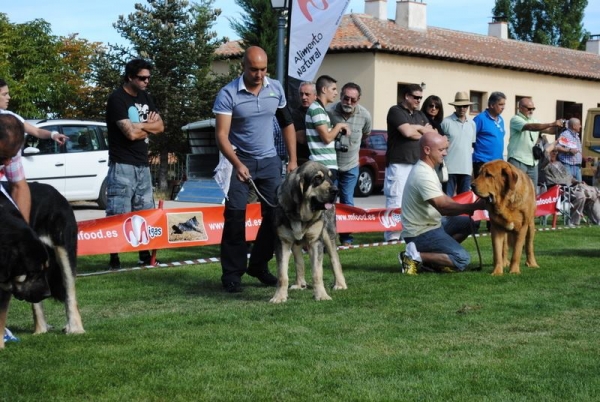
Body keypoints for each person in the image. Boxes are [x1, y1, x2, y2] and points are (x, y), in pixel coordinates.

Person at [213, 46, 297, 293]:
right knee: (235, 217)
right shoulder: (228, 93)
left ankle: (259, 266)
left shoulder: (276, 88)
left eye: (263, 69)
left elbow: (288, 124)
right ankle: (232, 274)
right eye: (254, 70)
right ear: (243, 67)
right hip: (239, 160)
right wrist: (237, 164)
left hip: (270, 161)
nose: (259, 75)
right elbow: (221, 135)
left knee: (275, 217)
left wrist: (292, 159)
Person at [105, 58, 164, 270]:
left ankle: (144, 255)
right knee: (119, 211)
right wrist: (147, 125)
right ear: (130, 77)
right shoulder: (117, 99)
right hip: (122, 164)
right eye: (142, 78)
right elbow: (129, 134)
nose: (146, 82)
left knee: (145, 210)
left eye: (148, 78)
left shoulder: (146, 97)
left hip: (143, 164)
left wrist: (141, 126)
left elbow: (160, 127)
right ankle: (114, 258)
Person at [399, 131, 485, 274]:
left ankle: (435, 260)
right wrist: (474, 206)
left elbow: (444, 199)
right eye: (441, 150)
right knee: (462, 259)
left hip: (433, 225)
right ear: (427, 150)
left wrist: (469, 207)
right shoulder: (423, 174)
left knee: (470, 223)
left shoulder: (428, 169)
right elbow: (443, 207)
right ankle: (413, 256)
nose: (445, 153)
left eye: (445, 149)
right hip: (420, 233)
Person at [383, 83, 431, 241]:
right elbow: (407, 132)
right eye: (416, 97)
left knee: (413, 200)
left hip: (416, 163)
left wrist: (418, 130)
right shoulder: (395, 111)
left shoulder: (420, 115)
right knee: (396, 198)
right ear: (406, 96)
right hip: (399, 163)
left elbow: (432, 134)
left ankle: (408, 233)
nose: (419, 100)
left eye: (420, 98)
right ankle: (392, 236)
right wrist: (420, 129)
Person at [327, 82, 372, 245]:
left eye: (353, 100)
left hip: (351, 165)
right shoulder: (329, 112)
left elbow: (366, 135)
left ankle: (346, 238)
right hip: (331, 165)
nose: (349, 103)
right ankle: (328, 237)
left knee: (347, 201)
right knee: (328, 202)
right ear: (340, 97)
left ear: (358, 100)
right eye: (346, 98)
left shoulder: (365, 115)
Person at [507, 97, 564, 188]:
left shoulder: (534, 120)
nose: (531, 111)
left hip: (532, 161)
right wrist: (551, 123)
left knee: (532, 191)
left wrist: (561, 126)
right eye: (529, 109)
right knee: (516, 189)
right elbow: (531, 127)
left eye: (533, 109)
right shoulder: (515, 119)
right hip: (518, 159)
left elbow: (549, 130)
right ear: (520, 108)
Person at [542, 140, 600, 225]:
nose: (555, 153)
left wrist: (579, 182)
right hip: (559, 191)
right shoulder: (544, 165)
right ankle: (573, 221)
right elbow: (545, 155)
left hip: (572, 188)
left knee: (595, 193)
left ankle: (597, 219)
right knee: (581, 195)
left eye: (556, 151)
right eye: (553, 151)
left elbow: (570, 178)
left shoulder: (560, 164)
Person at [0, 79, 68, 147]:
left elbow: (36, 131)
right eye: (4, 94)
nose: (9, 97)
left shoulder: (11, 117)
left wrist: (53, 135)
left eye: (8, 94)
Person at [305, 75, 348, 180]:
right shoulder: (317, 109)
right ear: (324, 89)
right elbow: (327, 138)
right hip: (322, 166)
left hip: (324, 165)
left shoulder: (320, 109)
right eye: (333, 89)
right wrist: (339, 126)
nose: (336, 93)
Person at [440, 91, 476, 196]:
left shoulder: (472, 124)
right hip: (449, 167)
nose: (462, 109)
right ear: (455, 107)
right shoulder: (446, 122)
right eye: (459, 106)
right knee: (447, 199)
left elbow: (471, 146)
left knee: (464, 200)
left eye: (465, 106)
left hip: (466, 168)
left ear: (468, 107)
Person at [472, 91, 507, 177]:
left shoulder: (501, 120)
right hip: (483, 162)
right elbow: (471, 139)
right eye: (500, 104)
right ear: (491, 105)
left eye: (504, 105)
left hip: (498, 162)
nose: (503, 107)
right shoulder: (480, 119)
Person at [291, 81, 316, 166]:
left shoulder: (321, 112)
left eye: (307, 94)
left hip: (320, 159)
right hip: (303, 160)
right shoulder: (295, 114)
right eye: (301, 94)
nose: (304, 97)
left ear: (315, 96)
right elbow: (301, 138)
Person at [556, 117, 583, 182]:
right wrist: (569, 150)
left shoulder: (576, 136)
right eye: (579, 124)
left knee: (579, 187)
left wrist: (584, 158)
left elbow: (578, 150)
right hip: (567, 166)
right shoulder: (565, 135)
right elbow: (557, 147)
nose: (580, 126)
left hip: (577, 167)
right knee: (569, 187)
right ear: (574, 126)